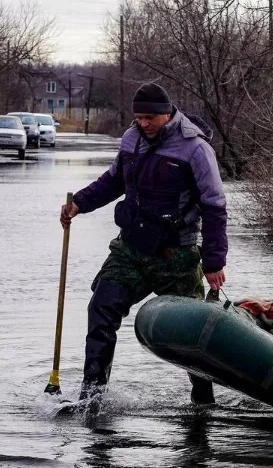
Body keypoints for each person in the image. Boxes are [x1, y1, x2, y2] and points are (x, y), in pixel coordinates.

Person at [60, 82, 228, 405]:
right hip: (131, 249)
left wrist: (213, 262)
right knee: (101, 307)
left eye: (150, 118)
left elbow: (214, 206)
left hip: (176, 256)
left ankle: (204, 404)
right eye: (139, 118)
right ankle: (92, 397)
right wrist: (78, 204)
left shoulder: (195, 149)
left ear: (167, 113)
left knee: (190, 335)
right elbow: (112, 182)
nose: (144, 124)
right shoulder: (131, 139)